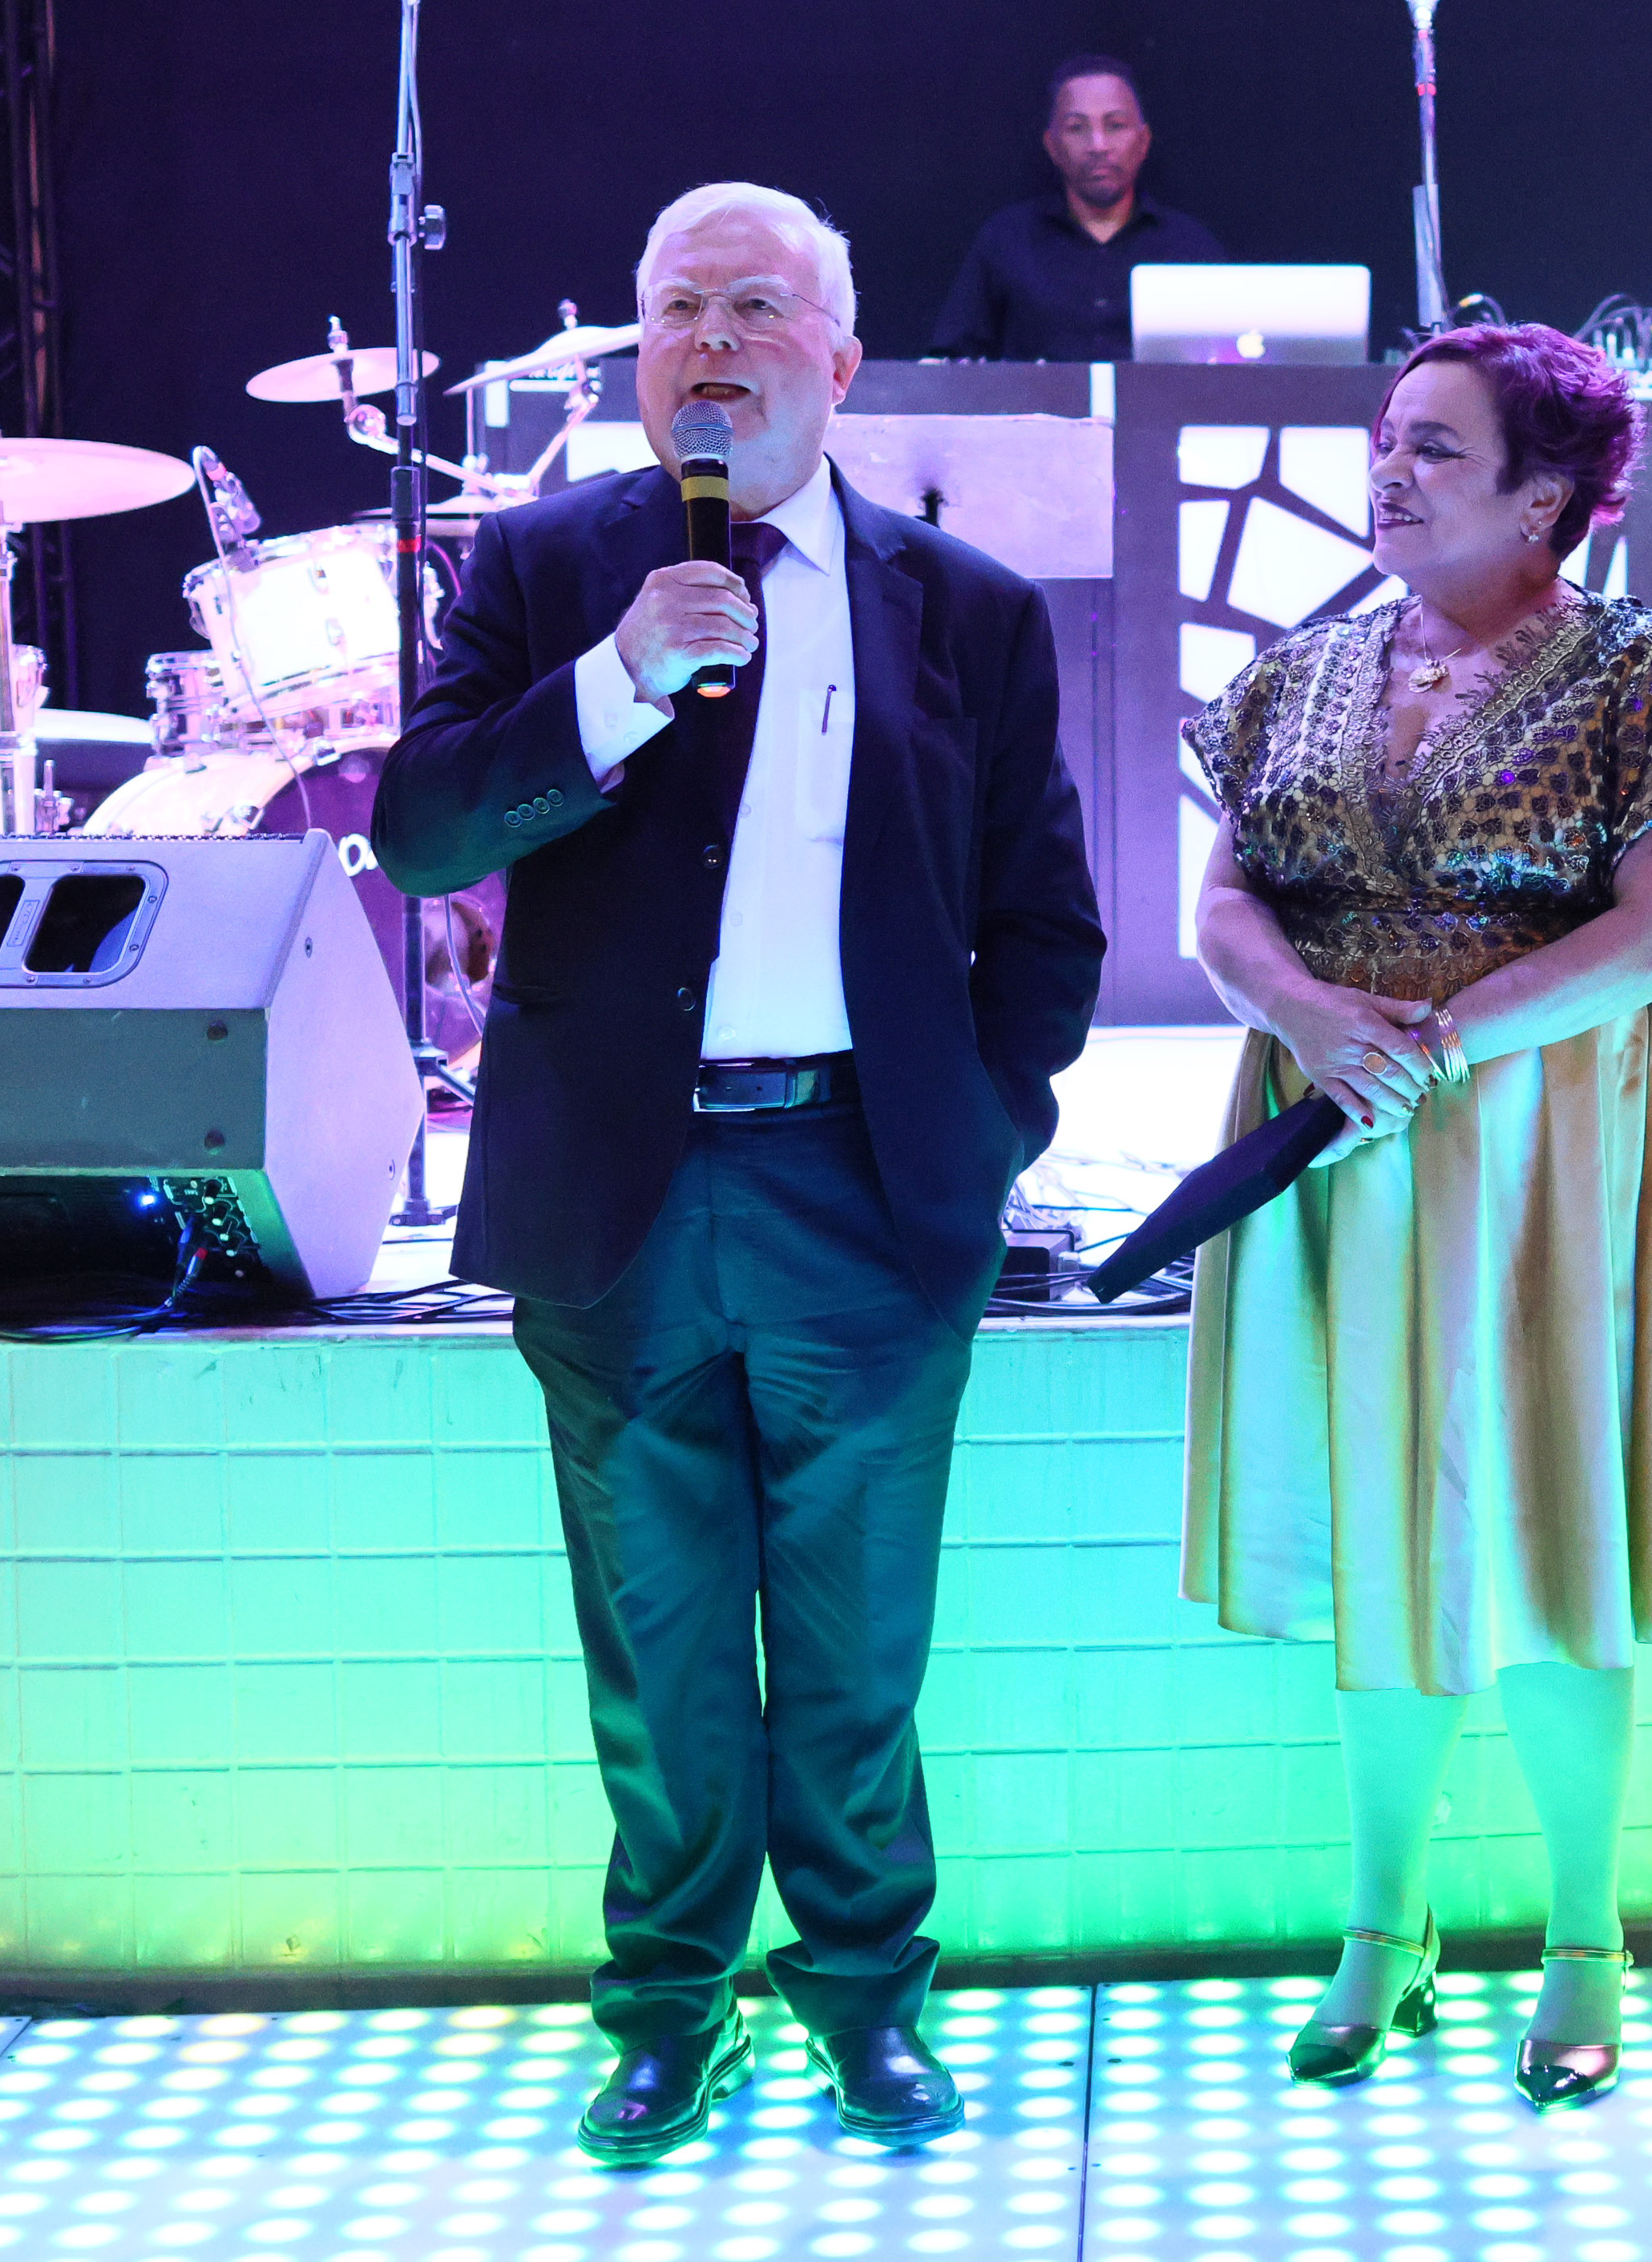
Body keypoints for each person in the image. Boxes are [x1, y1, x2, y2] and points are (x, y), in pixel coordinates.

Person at [377, 181, 1105, 2165]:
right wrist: (615, 679)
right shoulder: (543, 566)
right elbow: (425, 829)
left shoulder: (969, 607)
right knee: (662, 1651)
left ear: (840, 362)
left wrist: (983, 1129)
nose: (711, 340)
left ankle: (865, 1996)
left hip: (868, 1189)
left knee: (858, 1653)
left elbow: (1044, 921)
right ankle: (667, 2009)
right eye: (677, 307)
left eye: (756, 307)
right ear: (639, 357)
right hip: (617, 1201)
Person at [1177, 321, 1652, 2110]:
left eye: (1435, 446)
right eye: (1387, 438)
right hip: (1335, 1137)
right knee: (1379, 1519)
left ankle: (1586, 1936)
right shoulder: (1300, 671)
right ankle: (1387, 1927)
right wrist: (1308, 1017)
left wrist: (1438, 1040)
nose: (1390, 468)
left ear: (1547, 496)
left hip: (1542, 1145)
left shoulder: (1644, 675)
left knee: (1554, 1525)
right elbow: (1224, 904)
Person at [929, 55, 1228, 360]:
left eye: (1116, 125)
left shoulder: (1189, 246)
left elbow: (1232, 364)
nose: (1098, 145)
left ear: (1143, 142)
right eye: (1076, 128)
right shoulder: (1007, 240)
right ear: (1052, 147)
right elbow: (951, 363)